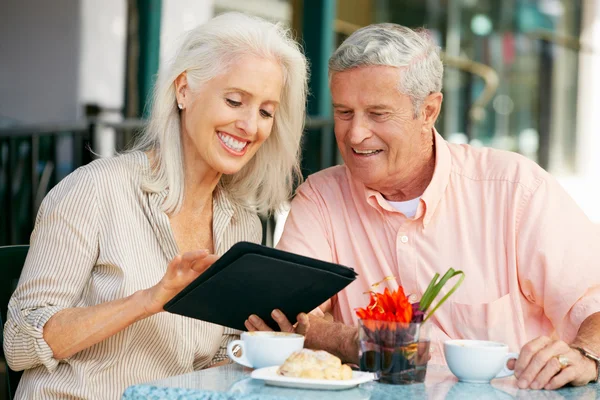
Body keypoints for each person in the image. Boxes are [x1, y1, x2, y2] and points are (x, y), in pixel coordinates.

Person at [246, 23, 600, 390]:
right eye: (344, 112)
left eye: (378, 114)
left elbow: (593, 301)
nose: (355, 134)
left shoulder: (515, 190)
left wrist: (587, 355)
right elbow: (296, 320)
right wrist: (359, 342)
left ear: (429, 110)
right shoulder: (320, 198)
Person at [3, 12, 307, 399]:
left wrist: (255, 347)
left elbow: (205, 367)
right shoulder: (95, 189)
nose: (250, 125)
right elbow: (18, 343)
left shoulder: (241, 224)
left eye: (266, 111)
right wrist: (148, 300)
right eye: (234, 100)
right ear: (184, 90)